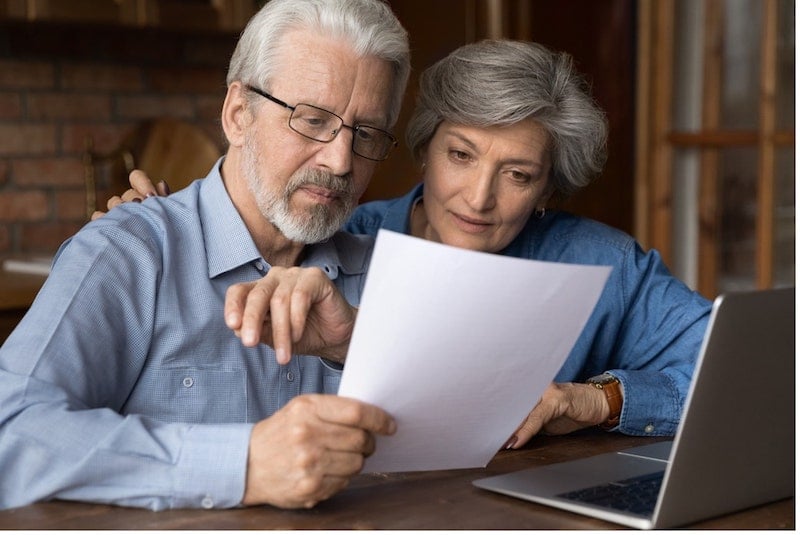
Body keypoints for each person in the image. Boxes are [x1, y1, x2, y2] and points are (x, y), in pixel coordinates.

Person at [111, 40, 712, 448]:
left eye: (518, 174)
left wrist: (593, 401)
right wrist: (172, 235)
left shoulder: (603, 262)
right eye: (461, 155)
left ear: (549, 189)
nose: (479, 198)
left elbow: (745, 376)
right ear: (424, 147)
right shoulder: (340, 239)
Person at [0, 0, 411, 511]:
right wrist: (244, 463)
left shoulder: (391, 274)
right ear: (239, 116)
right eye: (311, 120)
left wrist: (358, 345)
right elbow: (10, 433)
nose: (340, 160)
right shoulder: (129, 253)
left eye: (366, 133)